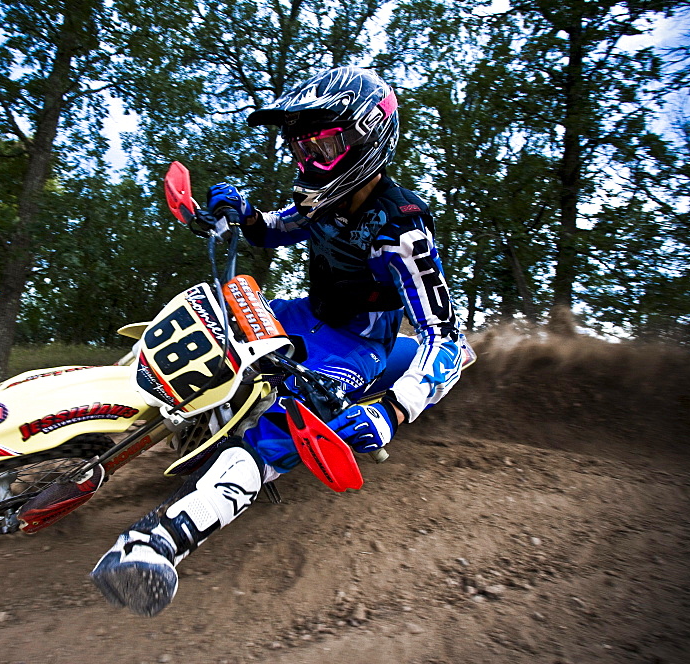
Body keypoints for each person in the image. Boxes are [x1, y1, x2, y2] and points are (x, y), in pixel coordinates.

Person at [90, 66, 466, 616]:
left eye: (327, 143)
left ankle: (159, 543)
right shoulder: (322, 200)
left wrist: (393, 409)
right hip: (298, 313)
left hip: (353, 346)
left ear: (370, 136)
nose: (309, 160)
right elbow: (274, 227)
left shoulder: (403, 229)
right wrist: (238, 214)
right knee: (209, 319)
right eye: (300, 144)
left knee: (290, 421)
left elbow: (446, 337)